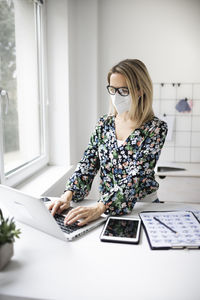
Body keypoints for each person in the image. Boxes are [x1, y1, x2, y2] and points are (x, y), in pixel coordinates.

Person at [49, 59, 168, 227]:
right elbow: (88, 164)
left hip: (141, 207)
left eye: (123, 90)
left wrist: (100, 207)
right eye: (113, 89)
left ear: (140, 90)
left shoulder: (155, 128)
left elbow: (138, 175)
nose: (116, 96)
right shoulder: (104, 124)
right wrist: (67, 196)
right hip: (105, 208)